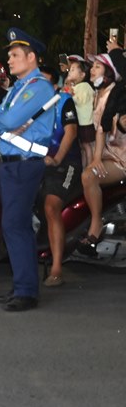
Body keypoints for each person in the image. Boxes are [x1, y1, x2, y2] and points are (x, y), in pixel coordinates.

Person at [0, 28, 59, 312]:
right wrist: (0, 120)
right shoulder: (19, 87)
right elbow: (0, 116)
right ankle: (20, 286)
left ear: (31, 57)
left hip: (24, 164)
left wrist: (0, 121)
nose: (10, 60)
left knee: (15, 225)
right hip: (10, 164)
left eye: (15, 55)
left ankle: (26, 291)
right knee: (13, 225)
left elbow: (5, 120)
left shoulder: (39, 87)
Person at [35, 65, 81, 287]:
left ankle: (56, 269)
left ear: (55, 86)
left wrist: (57, 159)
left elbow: (70, 133)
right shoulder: (29, 104)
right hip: (37, 163)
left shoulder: (64, 101)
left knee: (51, 206)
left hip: (66, 163)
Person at [77, 51, 123, 258]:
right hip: (100, 153)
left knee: (89, 176)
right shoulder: (97, 93)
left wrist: (95, 159)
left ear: (109, 72)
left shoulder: (115, 94)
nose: (92, 70)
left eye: (97, 66)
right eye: (92, 66)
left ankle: (96, 224)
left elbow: (102, 129)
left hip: (118, 156)